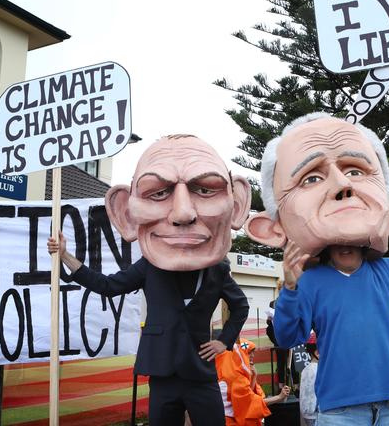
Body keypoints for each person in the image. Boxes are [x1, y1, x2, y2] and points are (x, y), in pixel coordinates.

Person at [244, 113, 389, 425]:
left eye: (355, 171)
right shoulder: (311, 281)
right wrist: (290, 288)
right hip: (339, 413)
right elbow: (288, 336)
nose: (343, 186)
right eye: (312, 178)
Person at [48, 134, 251, 426]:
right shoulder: (150, 266)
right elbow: (108, 286)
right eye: (159, 193)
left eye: (204, 189)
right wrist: (66, 256)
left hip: (200, 372)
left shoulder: (217, 269)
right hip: (162, 371)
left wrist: (224, 341)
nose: (183, 213)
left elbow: (241, 306)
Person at [216, 339, 290, 425]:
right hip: (229, 420)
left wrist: (254, 377)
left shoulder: (229, 369)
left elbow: (245, 396)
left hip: (226, 416)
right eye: (248, 353)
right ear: (240, 355)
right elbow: (251, 402)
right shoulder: (236, 377)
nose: (252, 356)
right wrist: (279, 397)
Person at [299, 336, 319, 426]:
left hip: (306, 413)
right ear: (317, 353)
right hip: (316, 414)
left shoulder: (305, 369)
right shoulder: (320, 370)